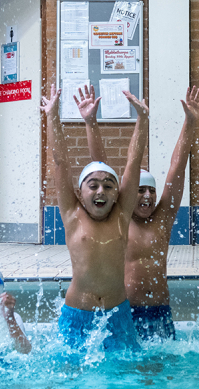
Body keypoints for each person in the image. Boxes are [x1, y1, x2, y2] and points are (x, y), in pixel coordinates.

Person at [76, 85, 199, 341]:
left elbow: (177, 167)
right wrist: (91, 122)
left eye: (151, 191)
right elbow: (100, 166)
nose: (147, 196)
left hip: (160, 311)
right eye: (140, 191)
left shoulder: (163, 219)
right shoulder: (117, 219)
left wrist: (190, 122)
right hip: (124, 310)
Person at [40, 83, 148, 352]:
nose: (101, 191)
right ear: (80, 192)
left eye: (109, 186)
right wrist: (52, 115)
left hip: (117, 314)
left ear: (117, 194)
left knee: (127, 375)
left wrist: (142, 119)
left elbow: (133, 163)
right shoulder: (73, 215)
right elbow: (60, 162)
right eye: (93, 185)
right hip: (78, 313)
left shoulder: (121, 216)